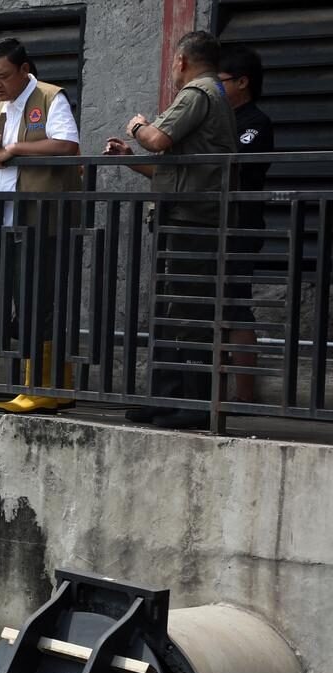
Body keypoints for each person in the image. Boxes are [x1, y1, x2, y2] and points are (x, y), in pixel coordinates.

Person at [104, 30, 237, 429]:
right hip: (184, 215)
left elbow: (157, 138)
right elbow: (171, 170)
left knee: (189, 311)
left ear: (181, 61)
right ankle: (166, 396)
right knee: (169, 311)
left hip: (193, 222)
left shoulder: (198, 92)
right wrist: (130, 159)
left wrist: (137, 127)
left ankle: (194, 405)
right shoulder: (212, 95)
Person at [0, 38, 82, 415]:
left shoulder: (50, 97)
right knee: (17, 300)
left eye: (2, 75)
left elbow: (66, 145)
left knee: (38, 301)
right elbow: (0, 156)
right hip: (5, 217)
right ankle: (51, 385)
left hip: (40, 218)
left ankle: (42, 386)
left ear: (24, 69)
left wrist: (15, 149)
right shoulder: (2, 107)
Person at [219, 45, 273, 403]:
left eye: (220, 81)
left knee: (235, 306)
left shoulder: (255, 122)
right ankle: (212, 393)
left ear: (242, 82)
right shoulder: (219, 120)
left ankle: (244, 396)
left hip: (240, 225)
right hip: (213, 224)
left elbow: (234, 166)